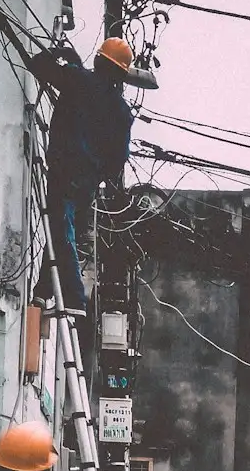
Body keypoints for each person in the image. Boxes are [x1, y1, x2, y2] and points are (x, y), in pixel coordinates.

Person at [25, 36, 155, 313]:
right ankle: (43, 290)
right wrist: (97, 174)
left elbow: (38, 66)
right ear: (121, 73)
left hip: (63, 171)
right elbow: (119, 158)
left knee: (61, 234)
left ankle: (73, 296)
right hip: (87, 183)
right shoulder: (121, 111)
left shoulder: (79, 81)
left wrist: (61, 53)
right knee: (62, 232)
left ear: (98, 60)